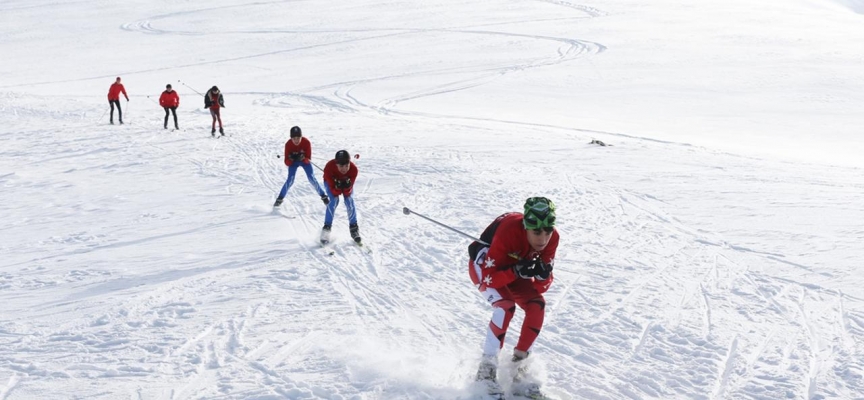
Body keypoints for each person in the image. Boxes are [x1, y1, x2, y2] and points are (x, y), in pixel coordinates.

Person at [467, 197, 558, 397]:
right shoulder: (509, 231)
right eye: (536, 232)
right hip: (486, 269)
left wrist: (543, 275)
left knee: (537, 305)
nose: (543, 239)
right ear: (526, 226)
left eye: (547, 231)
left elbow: (541, 287)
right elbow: (490, 279)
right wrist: (516, 270)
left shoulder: (553, 237)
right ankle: (486, 372)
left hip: (512, 270)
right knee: (505, 307)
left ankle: (519, 369)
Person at [273, 126, 329, 208]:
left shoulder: (306, 142)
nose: (296, 140)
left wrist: (303, 158)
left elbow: (308, 159)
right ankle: (280, 198)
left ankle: (323, 196)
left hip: (303, 162)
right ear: (291, 138)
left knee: (311, 178)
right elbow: (286, 162)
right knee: (290, 180)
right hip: (293, 163)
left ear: (301, 137)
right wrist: (291, 159)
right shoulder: (288, 144)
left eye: (298, 138)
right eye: (294, 138)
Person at [320, 150, 360, 245]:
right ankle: (326, 229)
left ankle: (354, 228)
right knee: (334, 200)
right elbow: (334, 191)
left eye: (347, 165)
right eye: (341, 166)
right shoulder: (329, 168)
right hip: (330, 183)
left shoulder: (354, 170)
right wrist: (337, 186)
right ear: (336, 164)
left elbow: (348, 192)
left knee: (349, 200)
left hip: (344, 185)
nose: (344, 169)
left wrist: (346, 186)